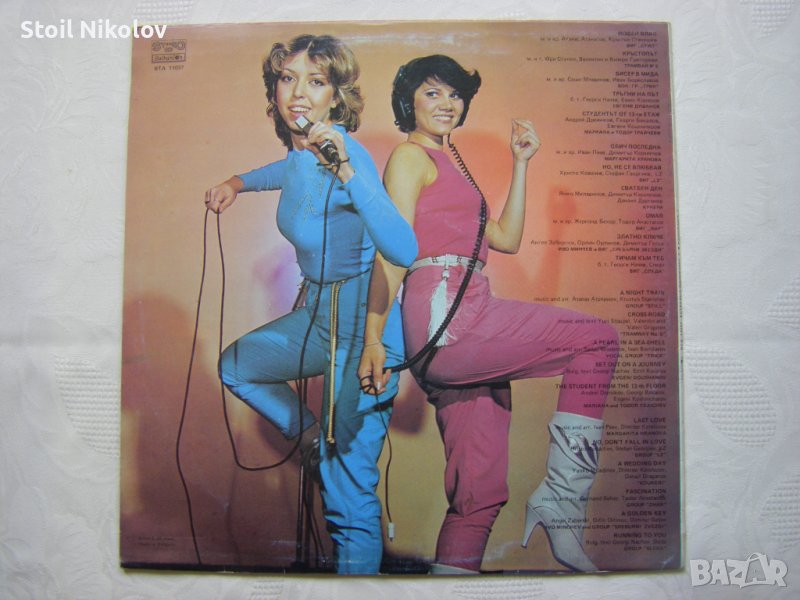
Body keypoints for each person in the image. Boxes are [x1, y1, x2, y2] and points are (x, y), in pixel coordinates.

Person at [358, 55, 619, 574]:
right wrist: (372, 339)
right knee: (597, 339)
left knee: (477, 495)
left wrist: (521, 163)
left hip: (469, 310)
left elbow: (505, 238)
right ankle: (563, 502)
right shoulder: (410, 156)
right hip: (449, 316)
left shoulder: (451, 162)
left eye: (454, 94)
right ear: (408, 100)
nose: (446, 103)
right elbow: (391, 250)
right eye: (432, 92)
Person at [204, 34, 418, 575]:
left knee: (347, 490)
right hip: (320, 316)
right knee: (238, 365)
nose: (298, 93)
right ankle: (313, 441)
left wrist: (346, 169)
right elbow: (287, 173)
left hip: (366, 326)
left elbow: (403, 249)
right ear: (275, 89)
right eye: (287, 78)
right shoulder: (302, 152)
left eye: (316, 82)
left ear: (336, 96)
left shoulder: (347, 154)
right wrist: (237, 182)